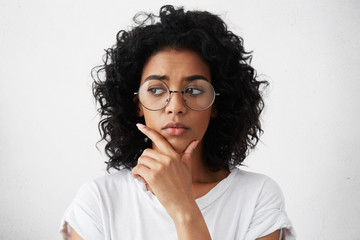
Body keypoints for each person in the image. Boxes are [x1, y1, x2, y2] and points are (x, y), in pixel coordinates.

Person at [60, 5, 296, 240]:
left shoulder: (258, 196)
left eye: (193, 89)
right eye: (155, 89)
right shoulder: (99, 200)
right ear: (137, 104)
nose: (175, 106)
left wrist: (184, 209)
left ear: (215, 105)